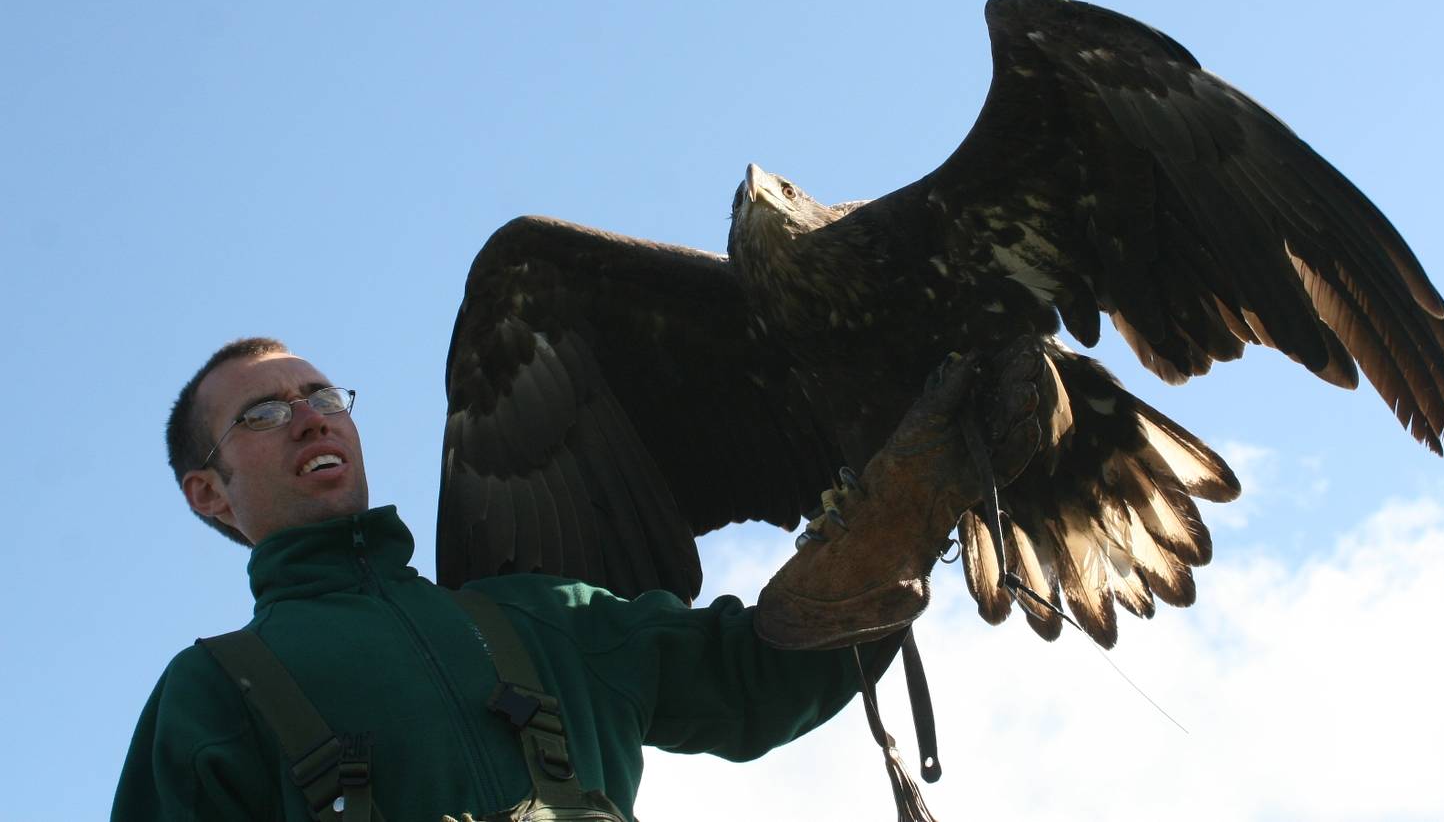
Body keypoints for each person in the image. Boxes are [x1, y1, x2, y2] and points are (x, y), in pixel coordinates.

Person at [113, 336, 1054, 821]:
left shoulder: (542, 619)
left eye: (322, 396)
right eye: (267, 411)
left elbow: (760, 674)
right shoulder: (211, 693)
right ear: (210, 493)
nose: (311, 417)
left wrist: (911, 512)